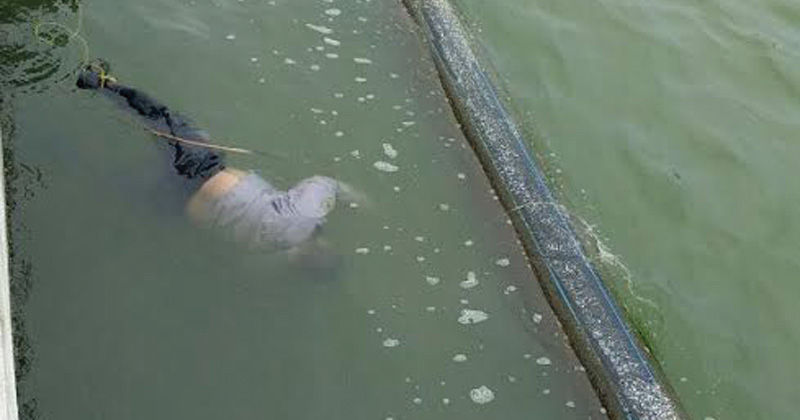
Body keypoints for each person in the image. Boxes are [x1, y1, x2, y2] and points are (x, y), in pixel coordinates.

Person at [75, 62, 363, 263]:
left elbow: (326, 182)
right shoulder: (264, 255)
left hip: (200, 167)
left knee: (160, 115)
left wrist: (356, 198)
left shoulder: (304, 215)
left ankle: (99, 83)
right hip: (177, 203)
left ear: (324, 247)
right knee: (110, 185)